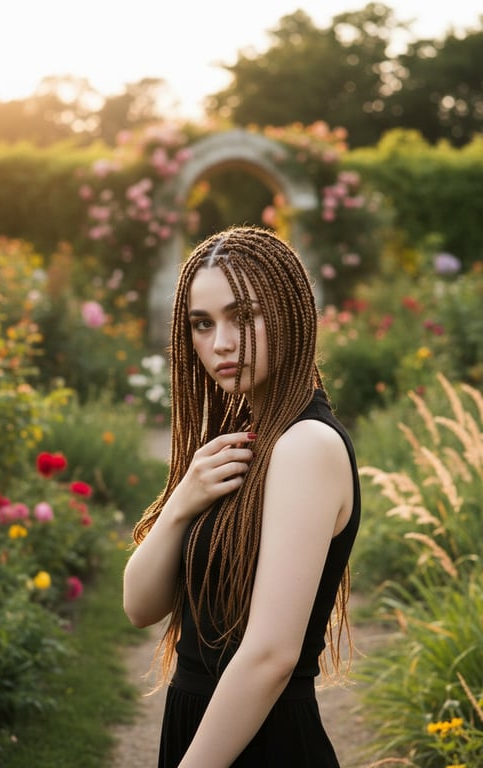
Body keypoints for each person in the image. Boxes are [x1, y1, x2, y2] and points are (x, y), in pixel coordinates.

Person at [123, 225, 361, 767]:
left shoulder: (306, 446)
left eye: (243, 316)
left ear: (291, 314)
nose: (221, 343)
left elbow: (272, 656)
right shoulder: (238, 441)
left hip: (259, 742)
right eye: (202, 325)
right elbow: (140, 605)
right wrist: (183, 499)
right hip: (206, 726)